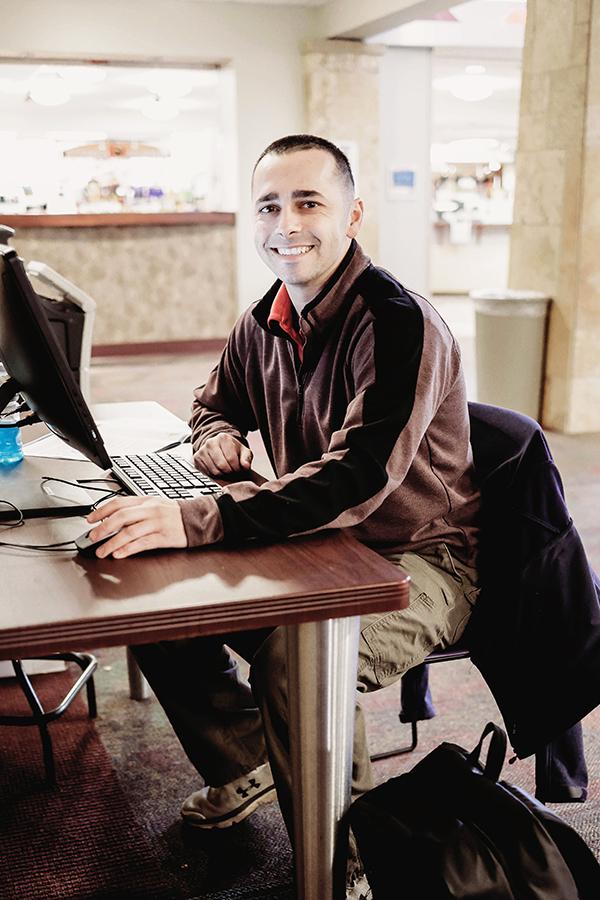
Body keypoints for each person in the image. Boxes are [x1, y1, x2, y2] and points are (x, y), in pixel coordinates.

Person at [86, 134, 480, 897]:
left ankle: (352, 866)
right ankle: (252, 763)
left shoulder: (398, 322)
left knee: (298, 658)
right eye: (270, 205)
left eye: (309, 202)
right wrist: (216, 435)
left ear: (353, 214)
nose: (286, 222)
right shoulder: (265, 317)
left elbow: (357, 478)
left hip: (420, 560)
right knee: (155, 585)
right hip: (320, 539)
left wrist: (199, 518)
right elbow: (211, 403)